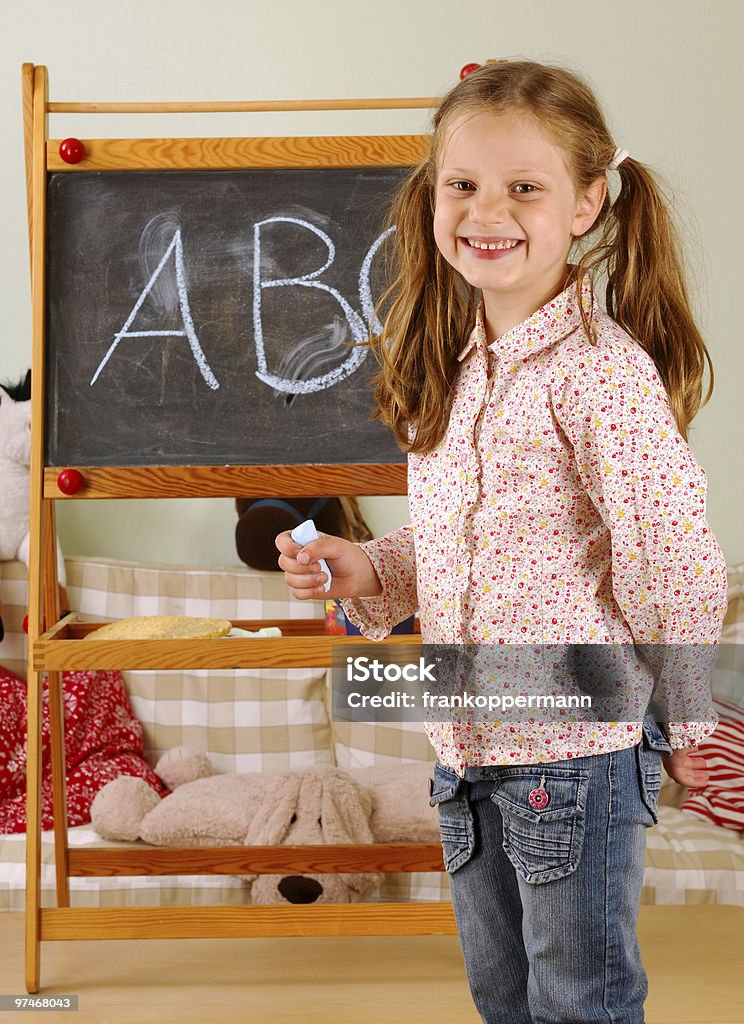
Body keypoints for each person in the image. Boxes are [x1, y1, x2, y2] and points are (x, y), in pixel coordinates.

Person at [276, 60, 728, 1024]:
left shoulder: (602, 374)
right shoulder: (459, 367)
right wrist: (374, 569)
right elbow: (462, 540)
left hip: (575, 754)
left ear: (587, 203)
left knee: (582, 1004)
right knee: (503, 998)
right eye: (463, 184)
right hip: (467, 748)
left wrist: (690, 727)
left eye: (525, 186)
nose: (489, 210)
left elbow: (675, 560)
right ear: (430, 197)